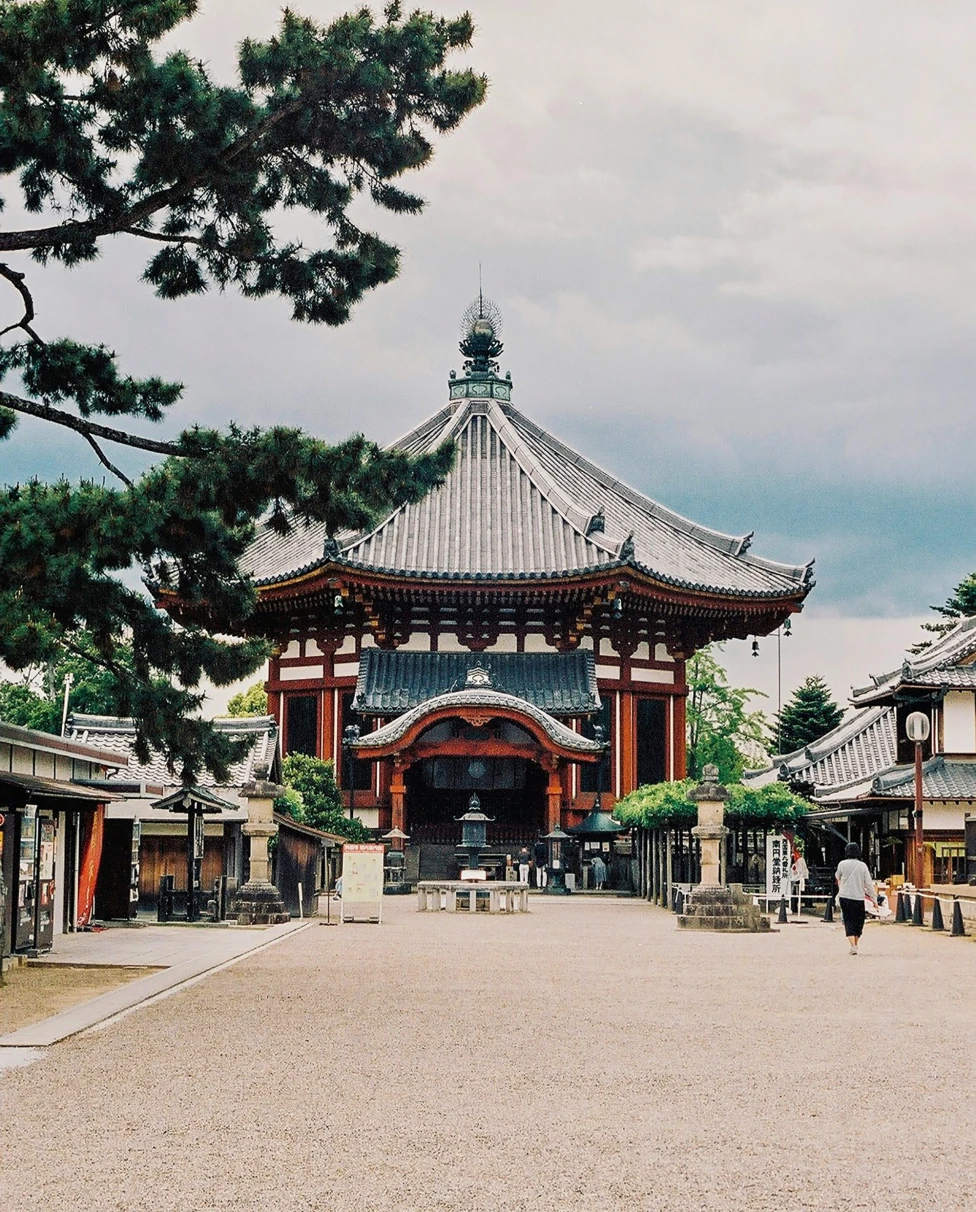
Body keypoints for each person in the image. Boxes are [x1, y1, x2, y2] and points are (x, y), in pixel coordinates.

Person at [835, 842, 877, 955]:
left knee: (848, 920)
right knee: (859, 922)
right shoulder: (862, 866)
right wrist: (874, 899)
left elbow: (837, 877)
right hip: (858, 897)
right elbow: (868, 884)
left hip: (845, 897)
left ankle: (854, 945)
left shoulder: (841, 864)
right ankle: (854, 945)